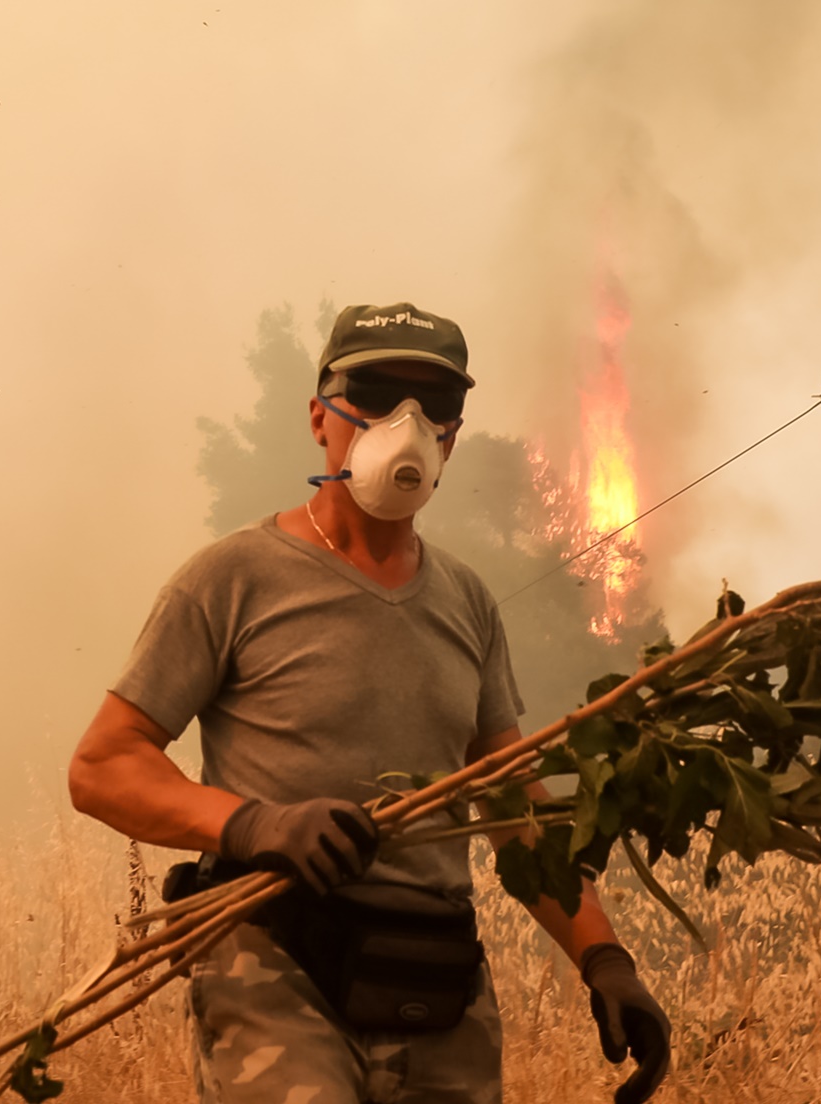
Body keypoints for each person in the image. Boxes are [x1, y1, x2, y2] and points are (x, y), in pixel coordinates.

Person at [68, 301, 671, 1104]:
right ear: (321, 418)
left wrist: (606, 961)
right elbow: (103, 766)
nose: (407, 424)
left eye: (435, 406)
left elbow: (516, 811)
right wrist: (254, 825)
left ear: (454, 434)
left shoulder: (467, 603)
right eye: (378, 394)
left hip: (433, 969)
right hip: (272, 952)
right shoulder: (233, 577)